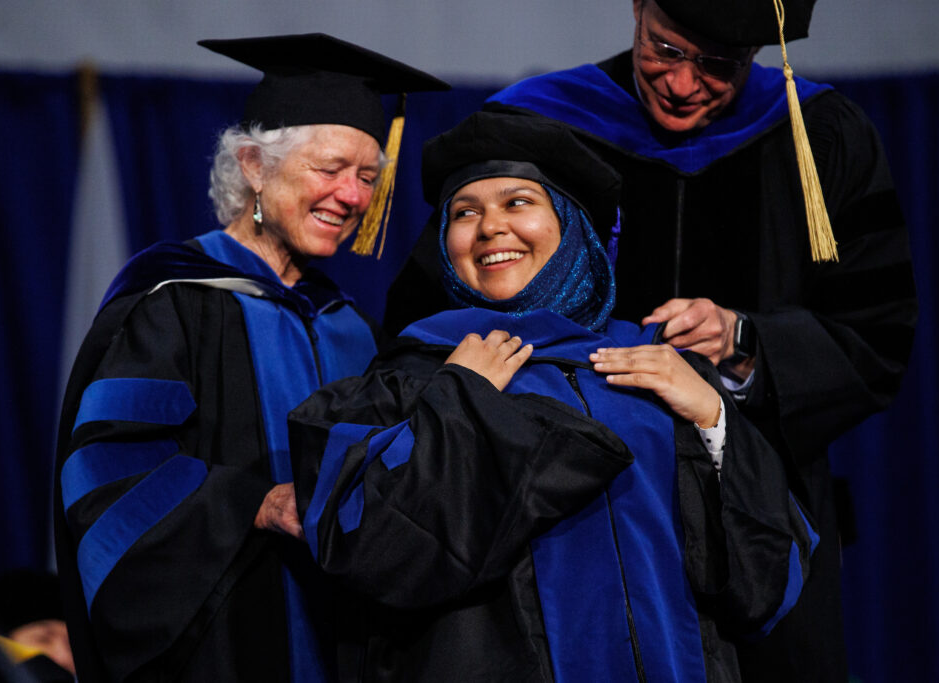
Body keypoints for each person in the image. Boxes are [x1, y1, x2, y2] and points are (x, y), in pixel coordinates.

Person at [386, 2, 917, 680]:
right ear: (638, 8)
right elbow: (431, 317)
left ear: (759, 51)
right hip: (566, 525)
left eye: (718, 65)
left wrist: (747, 342)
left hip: (755, 519)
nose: (684, 84)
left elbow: (877, 334)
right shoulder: (542, 122)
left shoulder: (821, 134)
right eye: (664, 49)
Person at [286, 111, 818, 682]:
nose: (490, 227)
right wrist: (459, 398)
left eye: (518, 202)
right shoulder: (413, 377)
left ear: (572, 227)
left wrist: (714, 419)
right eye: (464, 212)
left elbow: (764, 586)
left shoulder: (659, 366)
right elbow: (378, 555)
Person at [53, 33, 448, 683]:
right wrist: (254, 502)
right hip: (221, 646)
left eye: (367, 178)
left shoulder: (354, 330)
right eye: (330, 169)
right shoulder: (173, 300)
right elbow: (109, 472)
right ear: (254, 166)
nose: (352, 196)